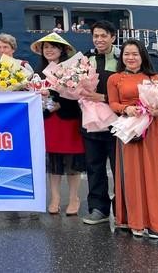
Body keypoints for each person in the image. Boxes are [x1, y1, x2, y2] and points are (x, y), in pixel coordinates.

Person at [107, 39, 158, 239]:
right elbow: (113, 104)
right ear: (121, 56)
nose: (130, 58)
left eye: (135, 54)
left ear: (142, 56)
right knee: (131, 175)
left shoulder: (155, 78)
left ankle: (154, 223)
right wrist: (126, 109)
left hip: (153, 131)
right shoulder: (115, 78)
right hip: (129, 130)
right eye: (126, 54)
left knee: (153, 174)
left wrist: (157, 112)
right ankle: (136, 221)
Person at [31, 33, 85, 216]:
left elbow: (77, 94)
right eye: (46, 47)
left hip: (68, 119)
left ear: (61, 49)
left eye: (53, 47)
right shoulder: (37, 73)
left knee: (72, 162)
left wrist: (58, 101)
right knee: (53, 162)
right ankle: (55, 198)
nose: (49, 50)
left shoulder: (71, 69)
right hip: (48, 121)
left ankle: (73, 198)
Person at [79, 20, 119, 225]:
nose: (99, 39)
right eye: (96, 36)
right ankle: (98, 209)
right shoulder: (86, 59)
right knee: (94, 166)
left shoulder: (122, 59)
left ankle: (123, 210)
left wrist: (103, 98)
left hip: (117, 122)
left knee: (119, 168)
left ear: (113, 37)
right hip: (91, 121)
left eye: (104, 35)